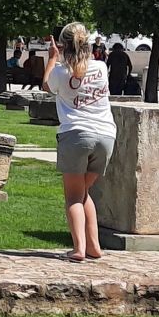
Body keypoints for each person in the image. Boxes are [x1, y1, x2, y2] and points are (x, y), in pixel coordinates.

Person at [45, 21, 116, 262]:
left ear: (63, 45)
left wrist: (52, 59)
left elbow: (47, 87)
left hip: (76, 134)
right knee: (85, 192)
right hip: (106, 135)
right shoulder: (101, 67)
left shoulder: (60, 71)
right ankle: (94, 247)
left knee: (73, 196)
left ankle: (78, 249)